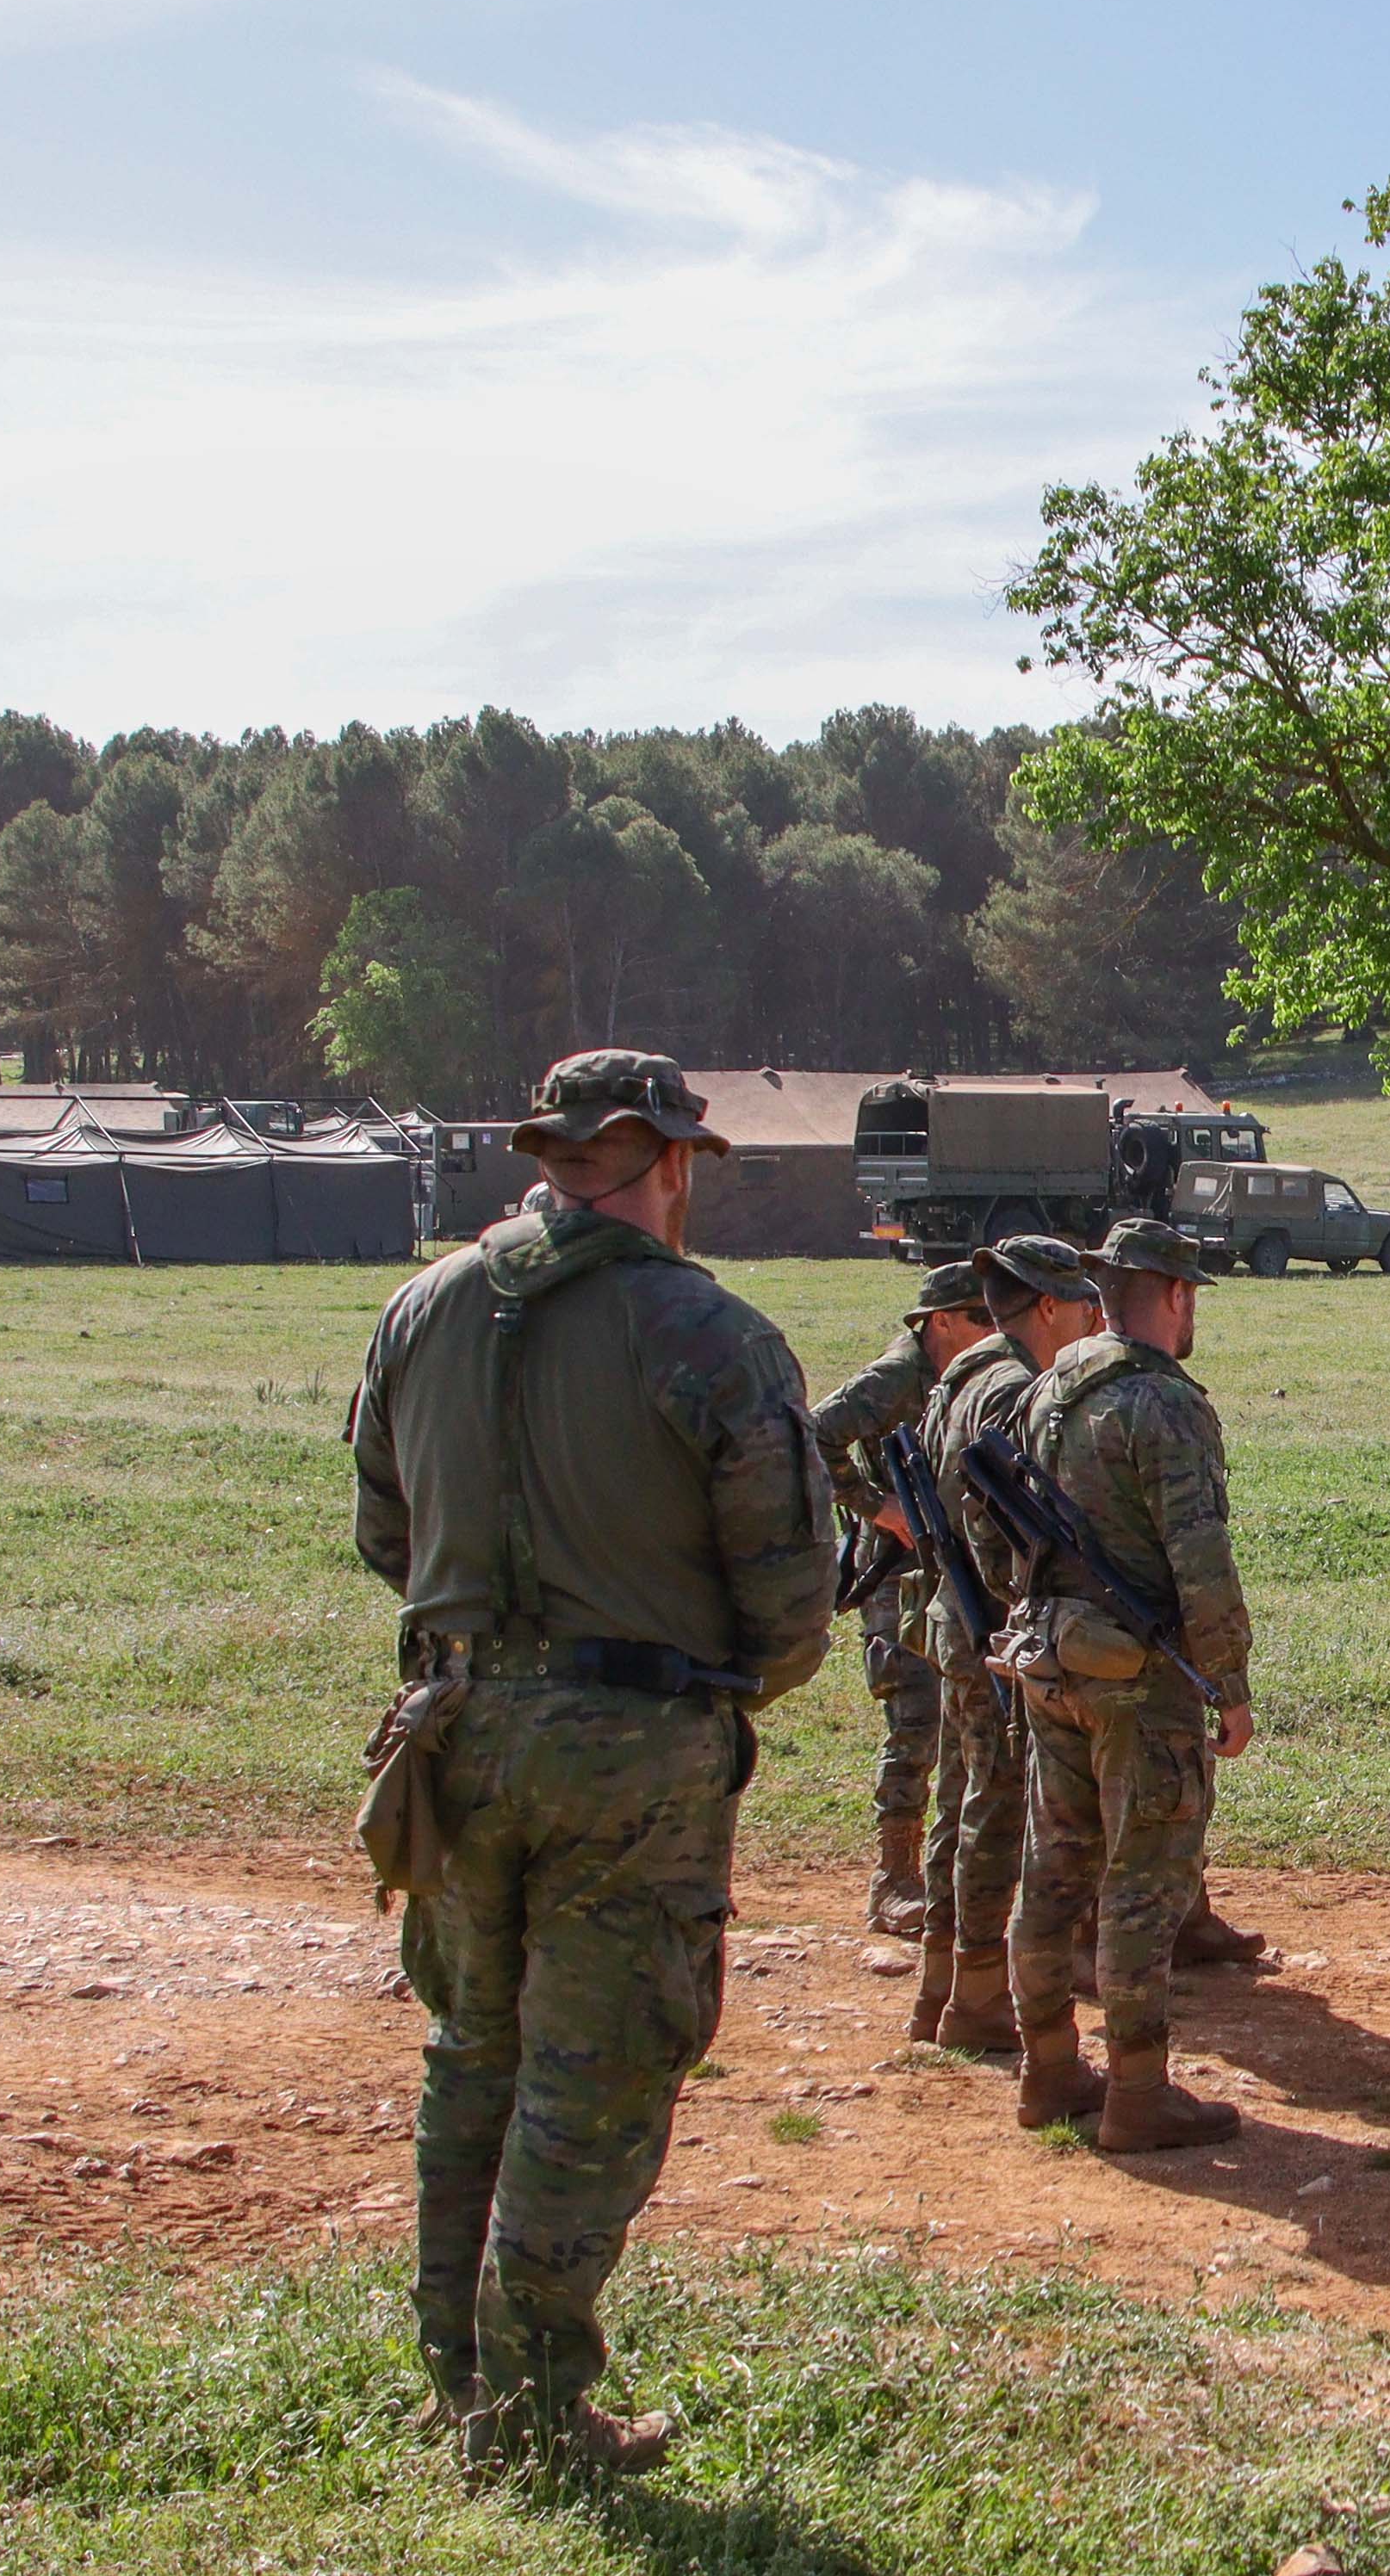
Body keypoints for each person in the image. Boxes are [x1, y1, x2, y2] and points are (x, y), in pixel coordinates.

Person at [349, 1050, 832, 2474]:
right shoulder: (711, 1336)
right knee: (598, 2068)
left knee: (472, 2050)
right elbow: (790, 1604)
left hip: (447, 1732)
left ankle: (465, 2376)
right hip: (630, 1745)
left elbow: (387, 1529)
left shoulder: (420, 1307)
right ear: (671, 1163)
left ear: (549, 1156)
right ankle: (534, 2403)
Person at [1005, 1216, 1256, 2152]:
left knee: (1054, 1863)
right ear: (1179, 1295)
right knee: (1143, 1884)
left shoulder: (1048, 1387)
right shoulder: (1166, 1403)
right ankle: (1140, 2093)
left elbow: (1003, 1535)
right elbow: (1202, 1558)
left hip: (1053, 1658)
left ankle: (1048, 2070)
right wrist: (1227, 1684)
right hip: (1140, 1678)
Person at [897, 1236, 1080, 2050]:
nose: (1090, 1315)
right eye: (1079, 1302)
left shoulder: (962, 1373)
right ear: (1047, 1305)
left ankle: (942, 1986)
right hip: (993, 1627)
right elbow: (1001, 1520)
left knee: (964, 1799)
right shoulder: (1018, 1390)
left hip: (954, 1617)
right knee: (998, 1804)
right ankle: (976, 1997)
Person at [815, 1260, 994, 1939]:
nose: (989, 1329)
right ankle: (893, 1878)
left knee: (963, 1717)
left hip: (949, 1569)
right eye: (977, 1317)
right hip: (895, 1572)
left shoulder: (969, 1376)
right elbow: (813, 1434)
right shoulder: (896, 1378)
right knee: (916, 1715)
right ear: (938, 1322)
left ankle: (951, 1872)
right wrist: (874, 1505)